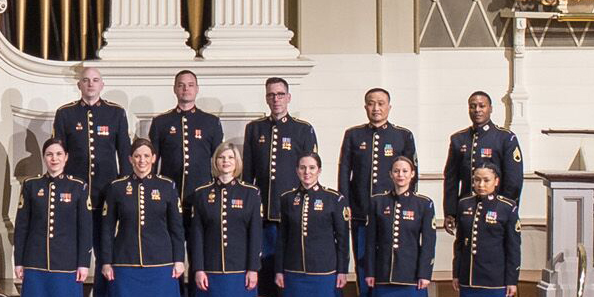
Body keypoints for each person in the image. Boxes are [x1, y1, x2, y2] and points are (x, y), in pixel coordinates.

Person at [98, 139, 185, 297]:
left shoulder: (167, 186)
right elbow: (107, 228)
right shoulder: (116, 187)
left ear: (154, 158)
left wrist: (179, 259)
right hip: (125, 264)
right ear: (129, 159)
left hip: (161, 265)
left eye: (146, 156)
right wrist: (106, 262)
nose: (142, 161)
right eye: (137, 156)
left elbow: (177, 227)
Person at [11, 139, 94, 297]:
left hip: (66, 267)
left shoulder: (78, 187)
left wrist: (84, 262)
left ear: (66, 157)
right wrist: (19, 261)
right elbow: (22, 227)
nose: (54, 158)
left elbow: (85, 229)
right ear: (44, 157)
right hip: (35, 265)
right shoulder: (31, 186)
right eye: (49, 154)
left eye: (58, 154)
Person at [185, 142, 265, 297]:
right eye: (221, 158)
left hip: (240, 273)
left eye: (230, 157)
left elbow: (255, 234)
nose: (226, 162)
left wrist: (253, 268)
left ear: (236, 162)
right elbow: (197, 236)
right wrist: (198, 269)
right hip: (210, 273)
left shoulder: (250, 193)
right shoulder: (201, 194)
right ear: (215, 162)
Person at [273, 153, 347, 297]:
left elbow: (342, 238)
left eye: (312, 168)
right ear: (297, 170)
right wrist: (279, 270)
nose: (307, 172)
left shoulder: (334, 199)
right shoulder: (287, 199)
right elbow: (282, 238)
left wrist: (342, 270)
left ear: (319, 171)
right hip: (294, 274)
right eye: (303, 168)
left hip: (324, 274)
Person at [357, 155, 435, 297]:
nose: (401, 175)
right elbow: (370, 240)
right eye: (397, 171)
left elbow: (428, 242)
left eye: (405, 171)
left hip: (411, 277)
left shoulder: (423, 204)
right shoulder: (377, 201)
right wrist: (370, 271)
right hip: (384, 275)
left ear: (412, 174)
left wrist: (424, 272)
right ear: (390, 174)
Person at [445, 164, 519, 297]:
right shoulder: (464, 205)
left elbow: (513, 247)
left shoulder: (507, 207)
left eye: (486, 180)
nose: (480, 184)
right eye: (477, 180)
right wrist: (457, 272)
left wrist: (511, 279)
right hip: (470, 278)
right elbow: (460, 243)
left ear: (496, 181)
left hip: (496, 281)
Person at [336, 87, 418, 243]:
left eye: (381, 103)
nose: (376, 108)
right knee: (362, 256)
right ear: (365, 107)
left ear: (389, 107)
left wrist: (409, 202)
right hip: (361, 207)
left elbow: (412, 173)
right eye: (371, 104)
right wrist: (344, 202)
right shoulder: (353, 134)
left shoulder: (403, 135)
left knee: (388, 256)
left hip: (392, 207)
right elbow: (344, 171)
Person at [51, 65, 130, 219]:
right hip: (74, 185)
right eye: (86, 80)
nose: (90, 84)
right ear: (79, 85)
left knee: (105, 237)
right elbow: (58, 151)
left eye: (95, 80)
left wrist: (125, 184)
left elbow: (124, 151)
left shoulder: (116, 113)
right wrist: (60, 183)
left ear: (102, 85)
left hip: (107, 185)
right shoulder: (65, 113)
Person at [239, 76, 318, 225]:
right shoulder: (254, 128)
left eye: (280, 94)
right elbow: (248, 171)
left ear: (288, 97)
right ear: (266, 98)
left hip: (292, 205)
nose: (276, 99)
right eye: (271, 95)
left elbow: (310, 171)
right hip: (263, 205)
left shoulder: (303, 129)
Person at [439, 90, 522, 220]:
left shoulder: (505, 138)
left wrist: (506, 209)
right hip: (466, 209)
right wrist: (450, 212)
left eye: (482, 106)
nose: (477, 110)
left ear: (490, 109)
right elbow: (451, 179)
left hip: (495, 210)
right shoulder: (458, 139)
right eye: (472, 106)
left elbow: (513, 180)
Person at [147, 69, 223, 198]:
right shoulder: (160, 122)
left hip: (202, 191)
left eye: (190, 85)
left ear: (197, 89)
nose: (185, 89)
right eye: (181, 85)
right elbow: (152, 161)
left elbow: (219, 160)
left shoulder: (211, 122)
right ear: (175, 89)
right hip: (169, 190)